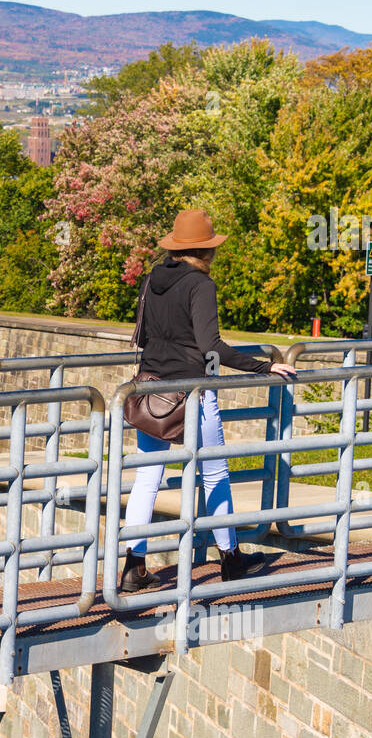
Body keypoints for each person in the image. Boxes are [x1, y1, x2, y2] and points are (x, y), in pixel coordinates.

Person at [121, 209, 298, 591]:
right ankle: (231, 560)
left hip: (151, 390)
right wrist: (262, 367)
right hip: (193, 394)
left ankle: (133, 568)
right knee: (215, 473)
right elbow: (210, 346)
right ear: (206, 250)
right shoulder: (201, 285)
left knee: (146, 479)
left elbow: (143, 335)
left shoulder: (153, 278)